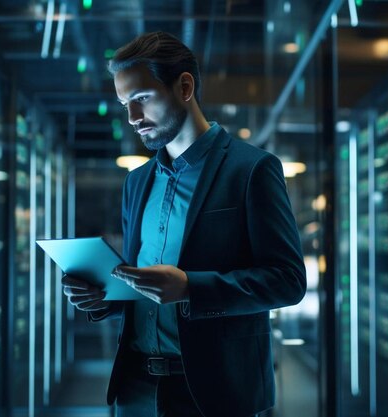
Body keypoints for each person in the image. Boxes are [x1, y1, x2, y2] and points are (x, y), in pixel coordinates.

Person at [62, 31, 306, 417]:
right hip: (135, 388)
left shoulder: (252, 169)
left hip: (215, 393)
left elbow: (288, 281)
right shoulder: (137, 181)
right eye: (125, 104)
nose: (132, 118)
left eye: (141, 99)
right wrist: (104, 298)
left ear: (185, 86)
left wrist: (191, 287)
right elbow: (143, 286)